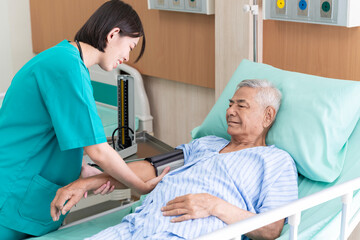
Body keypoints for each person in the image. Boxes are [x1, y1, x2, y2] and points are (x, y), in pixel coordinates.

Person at [0, 1, 167, 239]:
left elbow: (46, 132)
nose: (127, 56)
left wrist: (79, 168)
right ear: (113, 34)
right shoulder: (68, 68)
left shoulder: (63, 58)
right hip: (12, 189)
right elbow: (98, 150)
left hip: (16, 182)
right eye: (130, 46)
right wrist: (141, 187)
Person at [51, 79, 299, 240]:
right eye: (230, 103)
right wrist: (89, 182)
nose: (230, 111)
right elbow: (152, 167)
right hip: (136, 226)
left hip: (188, 232)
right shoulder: (207, 143)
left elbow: (272, 228)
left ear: (268, 116)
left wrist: (213, 205)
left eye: (241, 106)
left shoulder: (276, 161)